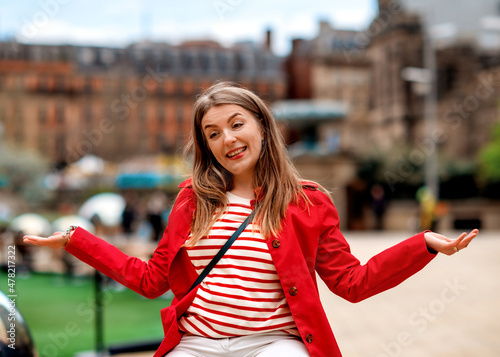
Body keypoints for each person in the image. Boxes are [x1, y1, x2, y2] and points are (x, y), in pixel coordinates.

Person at [24, 82, 478, 357]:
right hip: (198, 343)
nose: (228, 139)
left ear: (263, 126)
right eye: (213, 133)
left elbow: (352, 284)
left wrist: (422, 245)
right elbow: (150, 280)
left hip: (273, 344)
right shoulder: (191, 200)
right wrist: (73, 239)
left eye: (237, 123)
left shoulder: (308, 202)